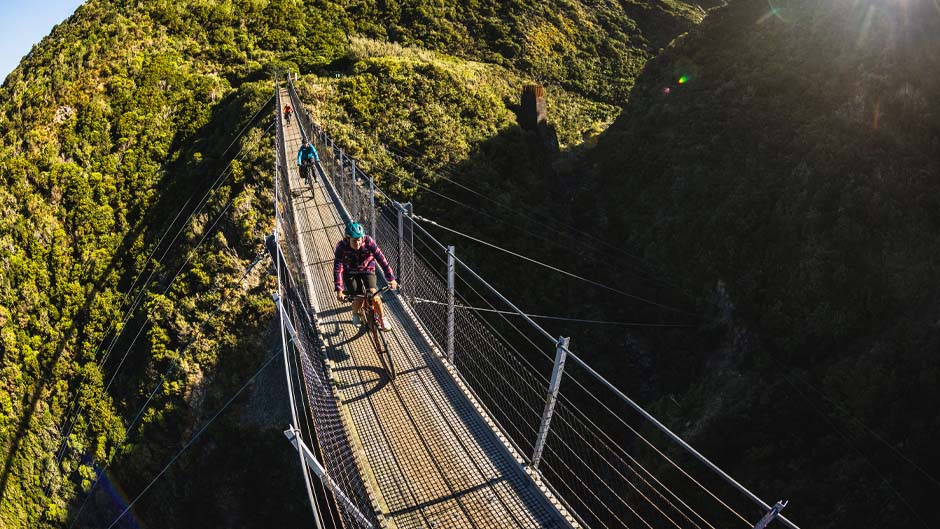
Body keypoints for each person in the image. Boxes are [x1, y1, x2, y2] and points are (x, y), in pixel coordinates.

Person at [334, 221, 398, 331]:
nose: (358, 243)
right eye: (354, 241)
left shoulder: (368, 241)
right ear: (348, 239)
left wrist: (391, 278)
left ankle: (382, 318)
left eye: (359, 240)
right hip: (350, 272)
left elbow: (381, 259)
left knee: (374, 295)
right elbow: (338, 267)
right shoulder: (341, 246)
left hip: (367, 268)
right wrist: (339, 289)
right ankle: (355, 314)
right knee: (358, 299)